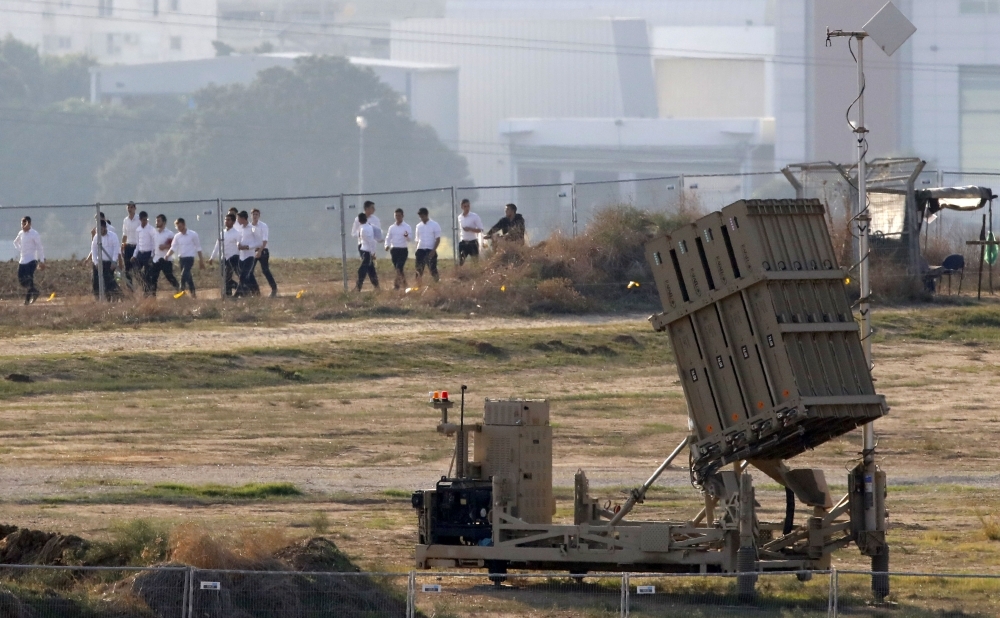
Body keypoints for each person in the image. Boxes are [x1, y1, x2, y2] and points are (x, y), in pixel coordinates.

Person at [164, 218, 204, 298]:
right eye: (177, 227)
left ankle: (181, 292)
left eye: (180, 226)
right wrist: (167, 255)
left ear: (184, 225)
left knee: (183, 275)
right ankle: (193, 293)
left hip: (189, 258)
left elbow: (198, 248)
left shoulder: (193, 234)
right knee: (188, 277)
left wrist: (201, 260)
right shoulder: (177, 236)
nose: (179, 228)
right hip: (181, 259)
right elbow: (173, 247)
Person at [13, 216, 44, 305]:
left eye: (25, 224)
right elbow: (15, 242)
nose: (23, 226)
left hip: (31, 260)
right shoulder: (21, 233)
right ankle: (35, 291)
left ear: (29, 224)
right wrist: (21, 249)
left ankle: (26, 301)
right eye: (22, 224)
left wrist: (42, 260)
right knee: (22, 280)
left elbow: (39, 247)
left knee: (29, 279)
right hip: (22, 260)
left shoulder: (34, 234)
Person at [147, 214, 180, 296]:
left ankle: (179, 291)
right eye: (156, 221)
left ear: (164, 222)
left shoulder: (169, 233)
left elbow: (174, 246)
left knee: (170, 277)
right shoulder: (154, 233)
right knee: (153, 279)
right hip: (156, 259)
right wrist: (152, 256)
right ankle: (152, 297)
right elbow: (153, 246)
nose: (157, 222)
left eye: (158, 221)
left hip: (166, 259)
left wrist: (165, 246)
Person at [210, 213, 241, 297]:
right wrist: (212, 257)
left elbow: (239, 246)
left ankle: (229, 294)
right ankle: (238, 289)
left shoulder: (237, 233)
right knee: (225, 278)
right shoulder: (222, 233)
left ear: (233, 222)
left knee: (228, 277)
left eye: (228, 220)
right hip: (224, 257)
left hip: (233, 257)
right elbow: (217, 245)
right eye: (225, 220)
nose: (226, 221)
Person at [91, 220, 122, 301]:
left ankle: (115, 296)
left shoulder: (113, 236)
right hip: (99, 262)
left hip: (109, 263)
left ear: (105, 228)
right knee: (96, 281)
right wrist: (96, 262)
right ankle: (98, 299)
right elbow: (93, 250)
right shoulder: (96, 237)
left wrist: (114, 261)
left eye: (101, 228)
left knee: (109, 281)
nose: (99, 231)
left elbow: (116, 249)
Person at [251, 208, 278, 297]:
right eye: (253, 214)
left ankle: (274, 288)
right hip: (253, 250)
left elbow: (265, 240)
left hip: (263, 250)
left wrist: (260, 251)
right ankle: (255, 290)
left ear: (259, 216)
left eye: (256, 214)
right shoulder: (250, 227)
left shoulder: (263, 226)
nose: (255, 216)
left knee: (265, 270)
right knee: (250, 271)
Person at [236, 210, 263, 297]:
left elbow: (259, 242)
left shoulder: (253, 228)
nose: (237, 221)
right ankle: (255, 292)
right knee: (247, 276)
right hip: (241, 256)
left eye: (239, 219)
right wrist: (238, 244)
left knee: (243, 276)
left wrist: (247, 247)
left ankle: (237, 294)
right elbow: (238, 239)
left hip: (249, 256)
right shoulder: (240, 229)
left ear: (243, 218)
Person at [384, 208, 411, 290]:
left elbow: (410, 239)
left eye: (399, 215)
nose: (397, 217)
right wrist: (386, 245)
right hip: (394, 250)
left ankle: (397, 285)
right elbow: (388, 237)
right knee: (398, 269)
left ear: (402, 216)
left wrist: (407, 236)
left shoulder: (407, 227)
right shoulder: (392, 227)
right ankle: (404, 285)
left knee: (399, 267)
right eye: (396, 215)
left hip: (403, 249)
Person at [131, 211, 157, 294]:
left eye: (146, 219)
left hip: (148, 253)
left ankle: (148, 291)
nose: (144, 221)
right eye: (143, 220)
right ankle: (144, 285)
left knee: (148, 273)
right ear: (140, 220)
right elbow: (138, 244)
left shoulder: (151, 229)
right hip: (140, 253)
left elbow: (154, 244)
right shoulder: (138, 230)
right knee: (136, 271)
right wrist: (134, 255)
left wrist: (152, 255)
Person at [414, 207, 441, 283]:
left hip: (430, 249)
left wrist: (433, 250)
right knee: (418, 270)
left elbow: (438, 239)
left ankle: (437, 283)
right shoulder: (418, 226)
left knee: (433, 269)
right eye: (420, 217)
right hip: (420, 249)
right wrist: (416, 250)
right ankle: (418, 286)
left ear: (426, 215)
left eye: (422, 216)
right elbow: (417, 239)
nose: (421, 218)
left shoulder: (434, 225)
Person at [356, 212, 380, 291]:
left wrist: (372, 253)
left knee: (361, 271)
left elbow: (371, 241)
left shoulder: (364, 229)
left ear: (359, 221)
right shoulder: (367, 227)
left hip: (367, 251)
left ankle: (358, 286)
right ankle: (377, 286)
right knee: (371, 270)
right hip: (366, 250)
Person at [121, 201, 141, 291]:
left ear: (135, 208)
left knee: (137, 269)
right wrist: (122, 245)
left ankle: (144, 287)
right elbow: (124, 234)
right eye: (128, 207)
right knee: (127, 270)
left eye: (131, 207)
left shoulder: (139, 219)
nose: (130, 209)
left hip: (137, 246)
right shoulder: (125, 220)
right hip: (128, 246)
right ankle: (130, 290)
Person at [457, 198, 484, 265]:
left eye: (468, 206)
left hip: (472, 242)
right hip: (463, 242)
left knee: (475, 262)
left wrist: (470, 229)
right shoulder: (459, 217)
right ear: (461, 207)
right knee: (460, 262)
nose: (467, 208)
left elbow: (480, 229)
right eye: (465, 206)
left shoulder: (474, 216)